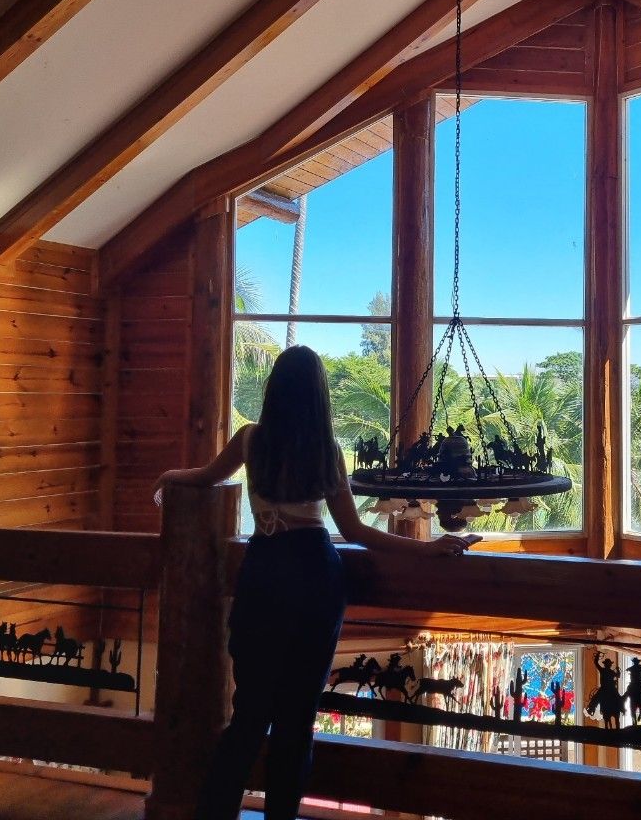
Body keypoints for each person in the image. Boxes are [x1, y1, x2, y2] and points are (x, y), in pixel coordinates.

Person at [154, 345, 479, 820]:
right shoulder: (325, 451)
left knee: (248, 716)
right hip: (314, 577)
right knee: (296, 720)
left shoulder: (251, 440)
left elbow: (204, 477)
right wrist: (426, 548)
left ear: (274, 390)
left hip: (264, 575)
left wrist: (167, 476)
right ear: (318, 396)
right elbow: (356, 532)